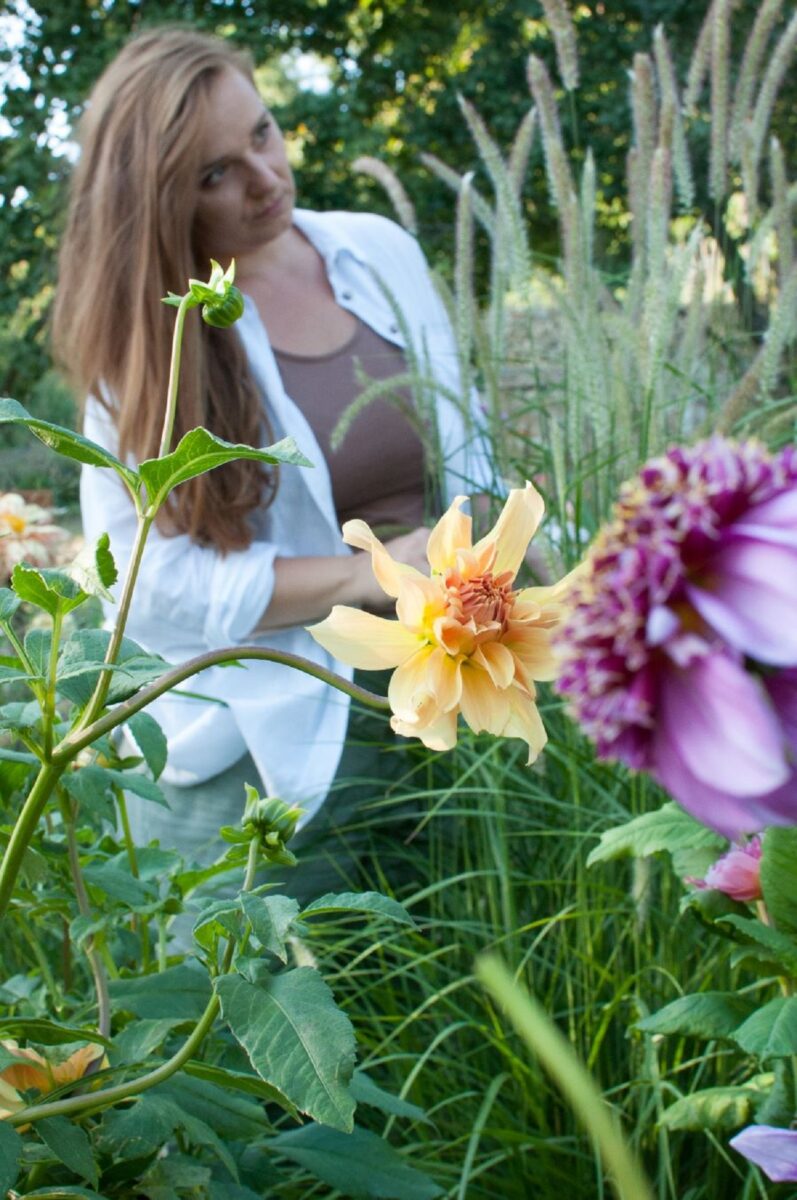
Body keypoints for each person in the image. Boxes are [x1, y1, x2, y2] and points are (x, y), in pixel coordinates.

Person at [52, 27, 496, 879]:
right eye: (214, 174)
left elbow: (462, 437)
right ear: (157, 201)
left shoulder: (377, 251)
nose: (266, 180)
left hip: (445, 708)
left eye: (262, 134)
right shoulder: (151, 341)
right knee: (270, 1003)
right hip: (262, 755)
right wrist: (367, 573)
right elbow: (145, 583)